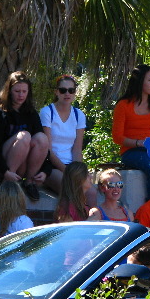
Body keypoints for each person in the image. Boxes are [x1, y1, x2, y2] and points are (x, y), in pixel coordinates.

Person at [0, 71, 48, 200]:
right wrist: (5, 172)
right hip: (2, 166)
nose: (21, 95)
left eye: (24, 91)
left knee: (42, 137)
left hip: (24, 165)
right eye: (17, 91)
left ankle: (29, 182)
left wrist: (45, 171)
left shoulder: (31, 113)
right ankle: (6, 183)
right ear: (9, 91)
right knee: (24, 136)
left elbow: (45, 148)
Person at [112, 64, 150, 202]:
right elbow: (117, 137)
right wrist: (139, 143)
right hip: (131, 152)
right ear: (139, 82)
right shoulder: (123, 105)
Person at [40, 74, 97, 206]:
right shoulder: (47, 112)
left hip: (71, 166)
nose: (67, 94)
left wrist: (78, 172)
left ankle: (92, 225)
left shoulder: (79, 115)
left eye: (71, 90)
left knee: (92, 193)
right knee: (72, 190)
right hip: (51, 166)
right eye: (63, 90)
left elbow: (77, 149)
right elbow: (48, 149)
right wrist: (67, 171)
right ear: (56, 92)